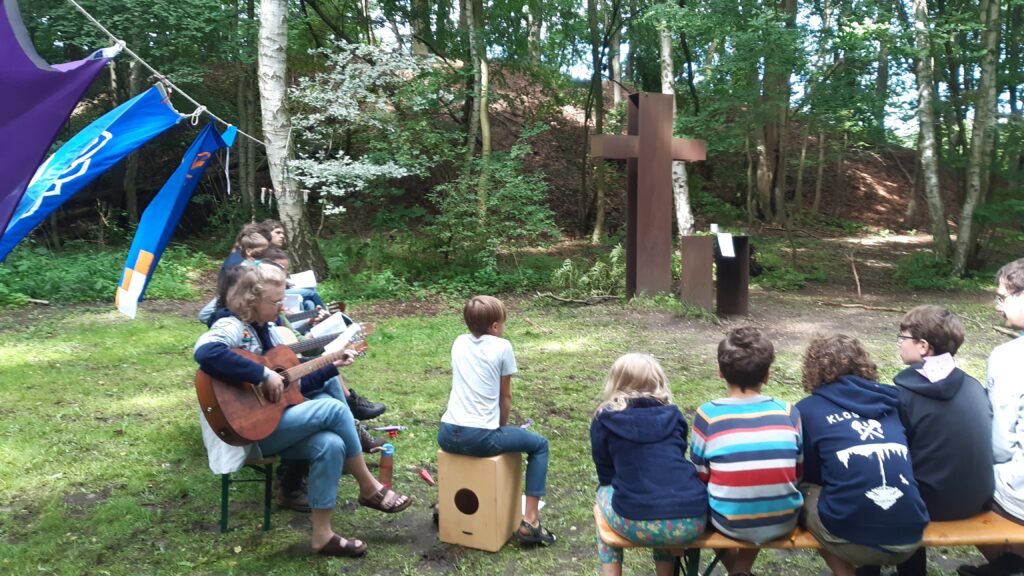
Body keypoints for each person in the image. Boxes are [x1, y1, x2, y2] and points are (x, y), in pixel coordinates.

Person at [194, 262, 411, 556]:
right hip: (249, 430)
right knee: (333, 409)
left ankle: (322, 535)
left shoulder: (266, 330)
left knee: (330, 444)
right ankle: (369, 487)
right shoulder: (231, 325)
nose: (281, 307)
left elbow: (293, 386)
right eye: (276, 301)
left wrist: (330, 366)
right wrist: (262, 374)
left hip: (276, 420)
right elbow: (205, 352)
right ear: (251, 300)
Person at [857, 306, 992, 576]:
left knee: (877, 486)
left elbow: (891, 454)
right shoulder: (974, 386)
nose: (898, 342)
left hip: (930, 505)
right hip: (977, 497)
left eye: (902, 337)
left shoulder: (904, 396)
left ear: (923, 346)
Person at [796, 334, 928, 576]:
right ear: (863, 364)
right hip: (911, 534)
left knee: (804, 490)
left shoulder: (807, 410)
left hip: (851, 537)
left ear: (814, 369)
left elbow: (812, 472)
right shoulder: (891, 399)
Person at [436, 295, 556, 546]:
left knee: (461, 456)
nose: (504, 328)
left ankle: (443, 504)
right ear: (494, 327)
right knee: (540, 445)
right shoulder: (503, 347)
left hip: (447, 433)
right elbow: (506, 397)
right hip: (480, 436)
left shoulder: (458, 342)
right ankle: (531, 521)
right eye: (503, 323)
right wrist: (499, 426)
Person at [690, 327, 803, 576]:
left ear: (720, 372)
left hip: (728, 522)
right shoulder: (788, 412)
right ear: (767, 375)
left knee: (713, 500)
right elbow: (798, 471)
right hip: (783, 519)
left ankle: (738, 571)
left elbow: (700, 474)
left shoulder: (708, 415)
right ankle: (741, 572)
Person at [590, 353, 708, 576]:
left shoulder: (604, 418)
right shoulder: (674, 415)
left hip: (636, 519)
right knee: (659, 498)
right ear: (658, 381)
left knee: (602, 498)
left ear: (617, 382)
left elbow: (604, 469)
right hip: (692, 518)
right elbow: (677, 453)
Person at [959, 258, 1024, 576]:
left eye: (1003, 297)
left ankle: (1008, 566)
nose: (997, 307)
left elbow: (999, 445)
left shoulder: (1010, 358)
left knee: (954, 484)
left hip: (1019, 495)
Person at [257, 218, 325, 311]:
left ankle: (311, 321)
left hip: (283, 288)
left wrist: (288, 283)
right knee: (312, 293)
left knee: (308, 304)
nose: (282, 236)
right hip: (272, 293)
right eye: (278, 232)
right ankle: (327, 314)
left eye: (283, 233)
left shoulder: (275, 251)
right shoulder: (262, 252)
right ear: (267, 234)